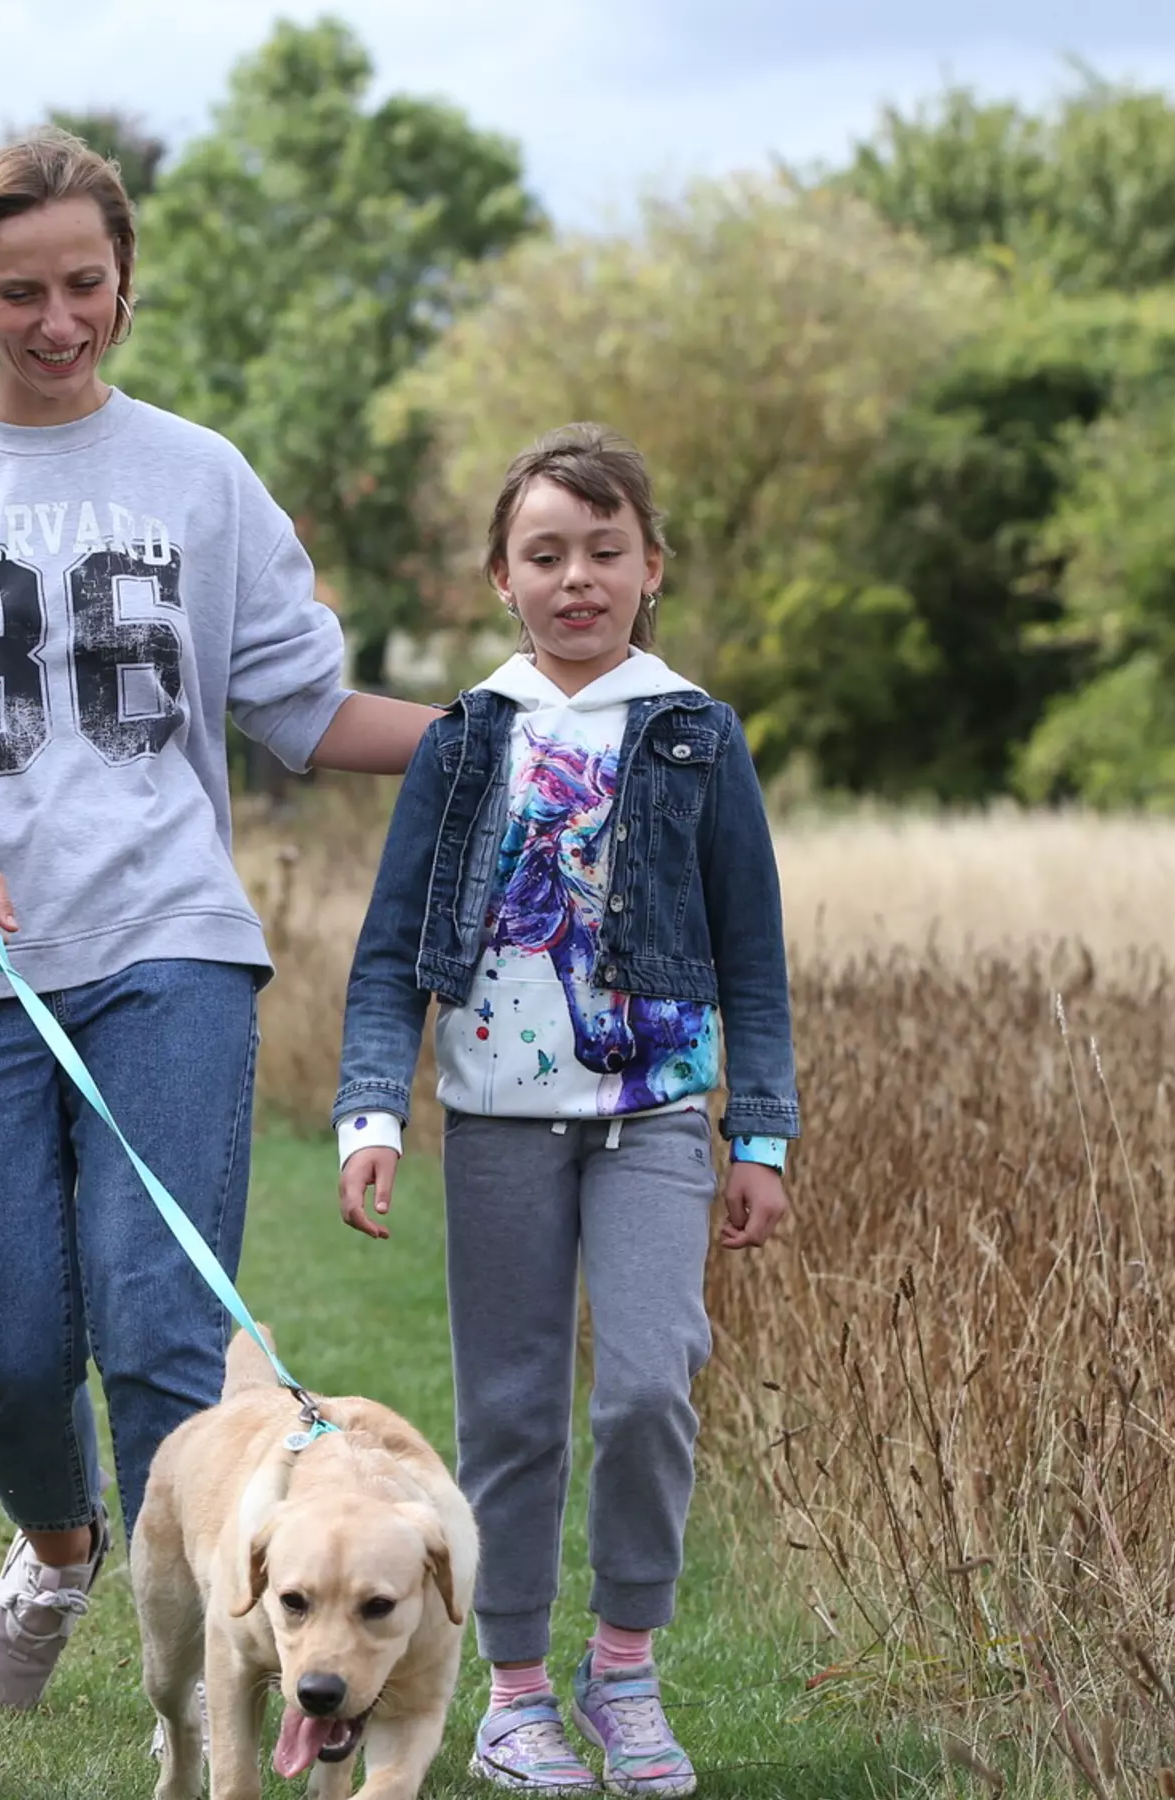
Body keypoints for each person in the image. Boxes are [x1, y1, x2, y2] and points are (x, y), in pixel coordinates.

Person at [0, 129, 437, 1712]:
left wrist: (508, 734)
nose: (61, 317)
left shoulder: (199, 475)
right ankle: (63, 1545)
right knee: (1, 1335)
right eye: (23, 291)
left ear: (125, 279)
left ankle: (215, 1692)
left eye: (87, 283)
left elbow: (297, 701)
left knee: (163, 1328)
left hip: (167, 943)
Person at [329, 425, 799, 1797]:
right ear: (501, 576)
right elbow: (388, 951)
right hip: (496, 1118)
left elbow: (754, 955)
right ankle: (518, 1694)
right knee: (515, 1409)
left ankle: (626, 1668)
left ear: (652, 567)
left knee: (652, 1383)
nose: (577, 578)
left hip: (656, 1111)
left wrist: (757, 1135)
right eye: (547, 555)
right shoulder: (467, 740)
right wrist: (374, 1113)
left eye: (606, 552)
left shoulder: (696, 736)